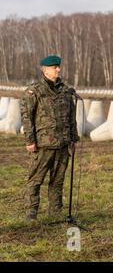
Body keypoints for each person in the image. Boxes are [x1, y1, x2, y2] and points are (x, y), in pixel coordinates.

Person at [20, 55, 79, 221]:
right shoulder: (35, 91)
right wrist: (30, 141)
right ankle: (31, 214)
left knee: (57, 181)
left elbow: (71, 117)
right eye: (54, 67)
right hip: (43, 144)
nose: (58, 69)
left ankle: (55, 213)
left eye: (58, 67)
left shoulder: (66, 91)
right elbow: (27, 117)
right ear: (44, 70)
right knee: (35, 180)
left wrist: (74, 138)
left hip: (63, 143)